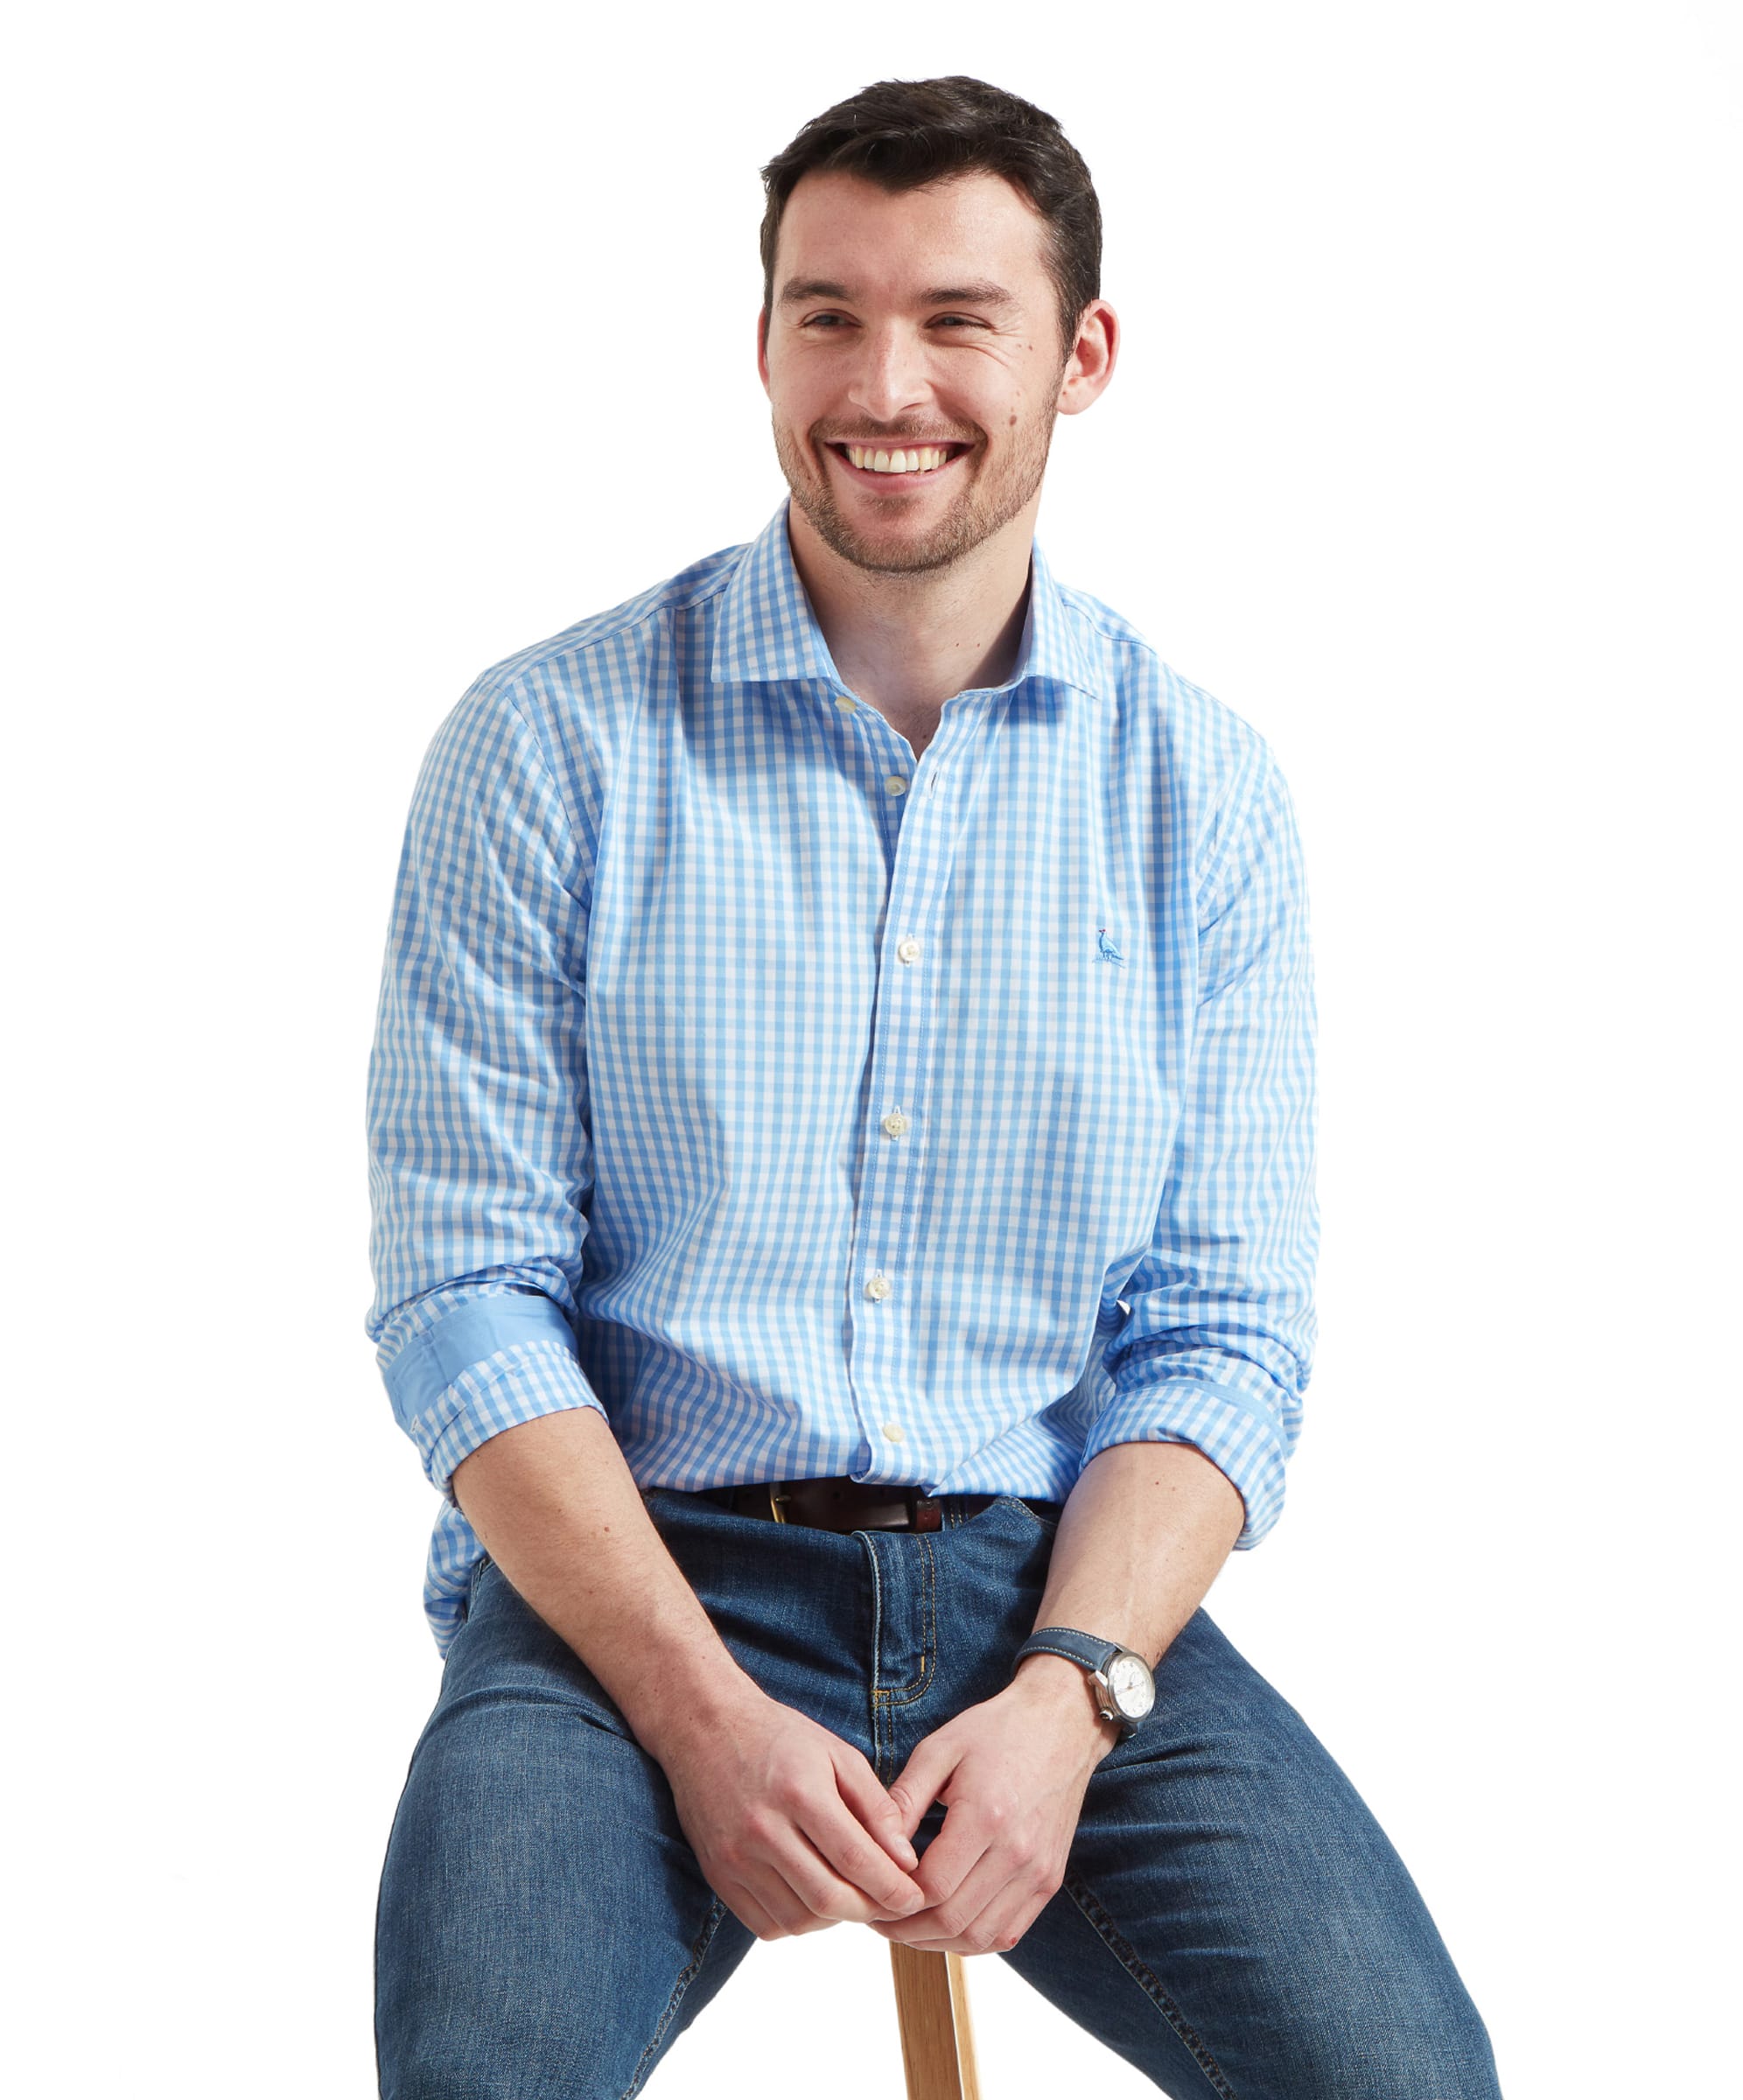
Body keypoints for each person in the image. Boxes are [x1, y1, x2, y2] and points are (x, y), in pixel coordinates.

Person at [365, 74, 1502, 2099]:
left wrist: (1075, 1693)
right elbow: (467, 1303)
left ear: (1082, 356)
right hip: (638, 1578)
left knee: (1412, 2084)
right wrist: (696, 1710)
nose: (884, 383)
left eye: (957, 320)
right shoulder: (549, 746)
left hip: (1034, 1589)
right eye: (828, 314)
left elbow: (1220, 1337)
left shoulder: (1199, 793)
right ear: (763, 339)